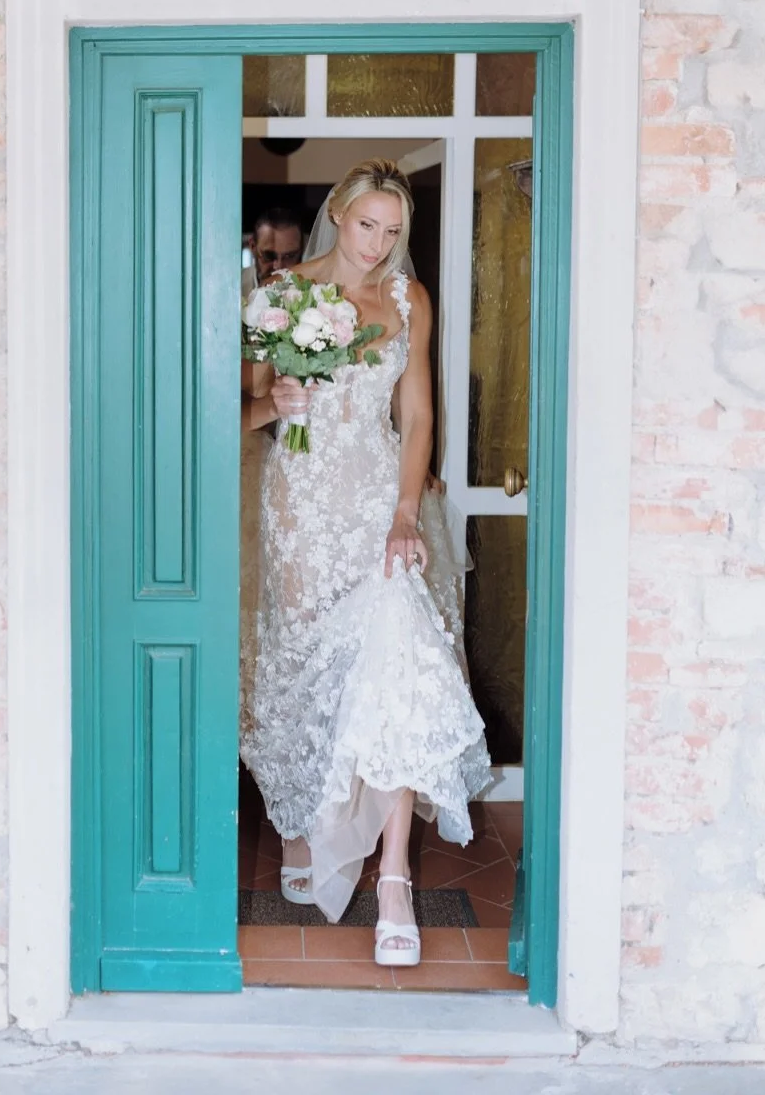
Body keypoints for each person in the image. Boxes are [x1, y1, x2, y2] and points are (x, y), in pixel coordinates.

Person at [239, 158, 490, 968]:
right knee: (303, 668)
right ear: (339, 215)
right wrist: (272, 403)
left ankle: (394, 879)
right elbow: (236, 408)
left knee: (399, 665)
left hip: (380, 502)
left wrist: (405, 512)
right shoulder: (283, 294)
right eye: (366, 226)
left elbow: (417, 418)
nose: (378, 244)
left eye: (392, 231)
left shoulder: (410, 300)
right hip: (301, 504)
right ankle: (301, 821)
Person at [241, 207, 304, 298]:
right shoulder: (235, 285)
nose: (278, 267)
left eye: (289, 256)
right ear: (253, 247)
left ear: (301, 250)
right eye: (269, 256)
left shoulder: (315, 287)